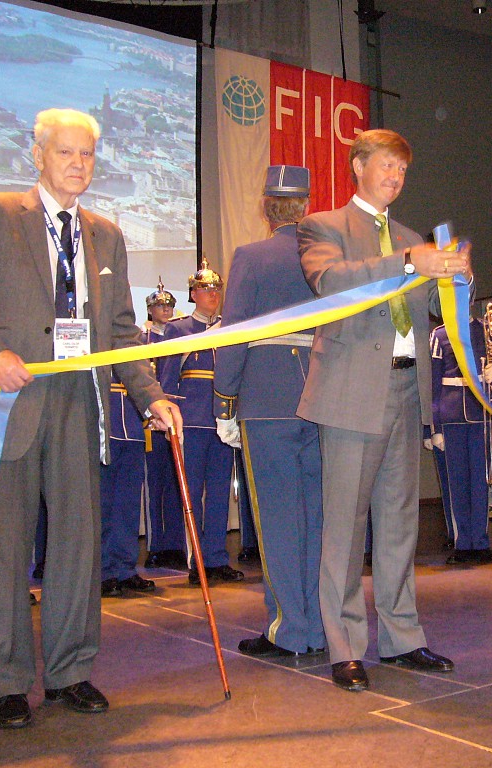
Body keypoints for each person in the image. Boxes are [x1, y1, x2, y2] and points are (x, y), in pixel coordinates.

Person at [0, 108, 181, 730]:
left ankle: (70, 672)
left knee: (76, 548)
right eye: (65, 152)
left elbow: (121, 330)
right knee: (4, 552)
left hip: (79, 403)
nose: (77, 164)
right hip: (7, 402)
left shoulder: (106, 235)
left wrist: (150, 395)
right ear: (37, 155)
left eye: (86, 154)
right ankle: (9, 682)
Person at [296, 128, 471, 692]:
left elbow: (433, 308)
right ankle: (345, 646)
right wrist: (407, 261)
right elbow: (330, 282)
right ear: (358, 166)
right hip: (351, 392)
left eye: (402, 169)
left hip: (406, 387)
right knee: (345, 526)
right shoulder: (323, 226)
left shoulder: (413, 239)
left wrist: (457, 279)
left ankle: (402, 638)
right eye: (387, 165)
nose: (396, 177)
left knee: (399, 523)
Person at [213, 164, 325, 657]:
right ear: (306, 205)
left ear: (266, 207)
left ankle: (289, 630)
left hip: (268, 400)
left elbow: (235, 332)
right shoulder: (326, 255)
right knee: (318, 519)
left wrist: (225, 400)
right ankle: (320, 628)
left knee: (278, 518)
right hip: (321, 396)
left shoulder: (251, 257)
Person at [158, 260, 243, 585]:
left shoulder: (229, 328)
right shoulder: (178, 329)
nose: (213, 294)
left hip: (222, 420)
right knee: (191, 493)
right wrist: (171, 416)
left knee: (220, 492)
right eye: (205, 289)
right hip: (191, 420)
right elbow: (168, 376)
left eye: (216, 288)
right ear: (193, 293)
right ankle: (197, 562)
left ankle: (217, 558)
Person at [428, 315, 492, 565]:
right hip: (451, 415)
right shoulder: (439, 335)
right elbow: (433, 384)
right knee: (456, 482)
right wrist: (434, 427)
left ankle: (480, 542)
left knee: (481, 480)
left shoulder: (486, 329)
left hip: (480, 411)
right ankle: (462, 542)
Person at [99, 359, 155, 598]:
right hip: (104, 429)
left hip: (132, 429)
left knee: (128, 505)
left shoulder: (137, 345)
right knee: (102, 505)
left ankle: (125, 568)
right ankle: (103, 571)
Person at [141, 281, 186, 570]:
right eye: (160, 305)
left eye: (169, 305)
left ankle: (175, 545)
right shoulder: (141, 337)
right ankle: (156, 545)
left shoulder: (179, 334)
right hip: (151, 417)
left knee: (175, 483)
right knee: (154, 484)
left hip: (174, 413)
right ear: (150, 309)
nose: (166, 310)